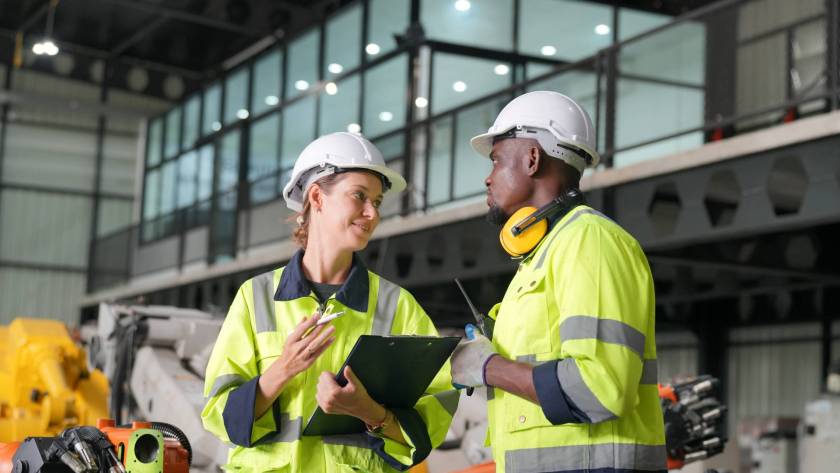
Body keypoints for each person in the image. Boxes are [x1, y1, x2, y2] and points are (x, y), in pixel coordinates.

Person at [202, 132, 458, 472]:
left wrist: (368, 411)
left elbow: (429, 426)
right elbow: (219, 415)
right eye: (359, 196)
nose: (372, 213)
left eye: (377, 202)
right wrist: (283, 369)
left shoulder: (399, 306)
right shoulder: (255, 297)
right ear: (317, 197)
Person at [449, 91, 667, 472]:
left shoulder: (590, 241)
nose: (487, 177)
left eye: (496, 160)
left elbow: (600, 387)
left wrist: (490, 368)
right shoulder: (542, 257)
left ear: (532, 158)